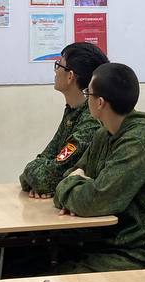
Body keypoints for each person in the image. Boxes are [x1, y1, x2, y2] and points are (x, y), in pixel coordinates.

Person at [52, 63, 145, 270]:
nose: (86, 97)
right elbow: (69, 176)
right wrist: (76, 185)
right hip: (103, 241)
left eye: (88, 93)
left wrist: (76, 186)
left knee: (54, 277)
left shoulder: (139, 143)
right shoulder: (104, 134)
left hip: (137, 251)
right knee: (33, 259)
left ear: (100, 102)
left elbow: (93, 200)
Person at [19, 41, 108, 197]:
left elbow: (45, 179)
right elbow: (44, 162)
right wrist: (37, 179)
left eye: (58, 65)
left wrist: (39, 180)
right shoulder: (72, 111)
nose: (55, 72)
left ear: (70, 76)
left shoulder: (91, 121)